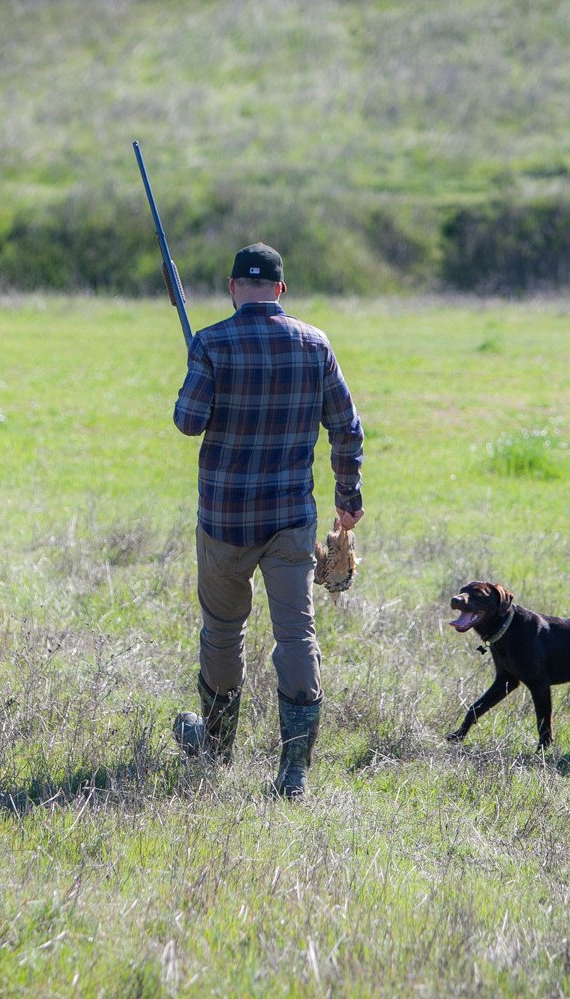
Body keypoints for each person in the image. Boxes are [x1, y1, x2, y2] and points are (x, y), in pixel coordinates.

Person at [172, 242, 364, 798]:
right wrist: (347, 496)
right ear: (281, 290)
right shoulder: (315, 344)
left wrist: (199, 370)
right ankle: (293, 771)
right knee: (296, 635)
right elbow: (347, 427)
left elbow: (188, 422)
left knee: (223, 632)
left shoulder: (210, 343)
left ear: (233, 287)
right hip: (290, 521)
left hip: (225, 521)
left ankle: (215, 748)